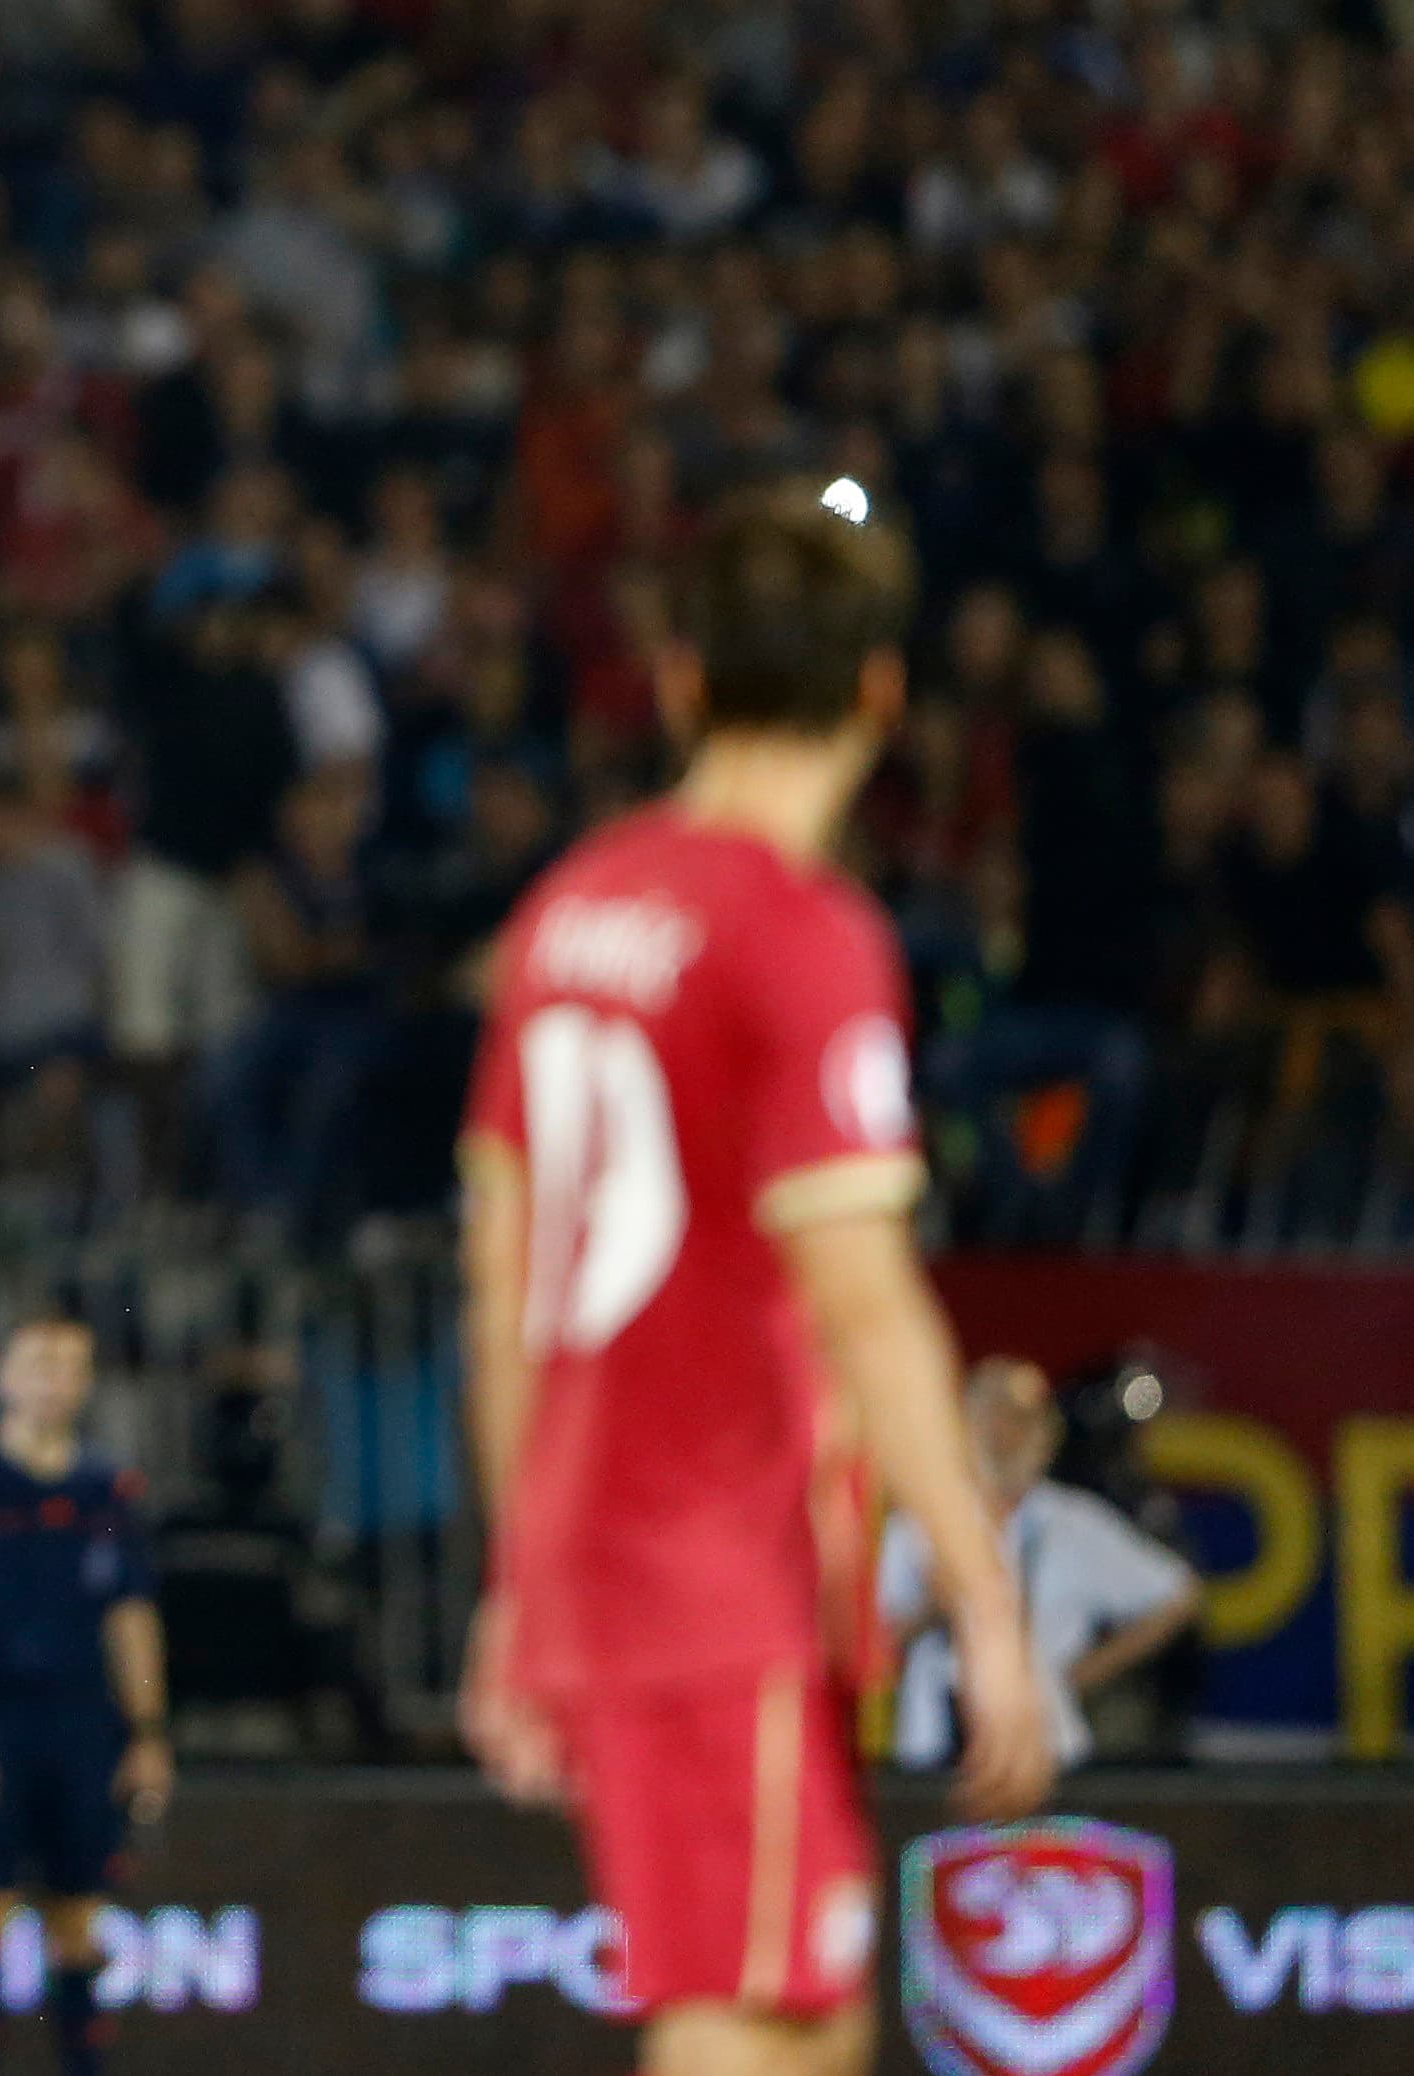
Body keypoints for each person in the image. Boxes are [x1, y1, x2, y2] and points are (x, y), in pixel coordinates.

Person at [457, 481, 1055, 2076]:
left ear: (680, 681)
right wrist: (989, 1603)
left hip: (609, 1543)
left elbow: (501, 1274)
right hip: (712, 1553)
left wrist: (522, 1575)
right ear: (881, 690)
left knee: (809, 2010)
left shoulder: (571, 910)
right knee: (745, 2014)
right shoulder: (799, 932)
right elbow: (865, 1305)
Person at [0, 1319, 172, 2076]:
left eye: (72, 1366)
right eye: (40, 1363)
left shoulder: (108, 1490)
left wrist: (148, 1730)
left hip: (83, 1719)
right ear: (2, 1379)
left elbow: (130, 1612)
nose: (56, 1379)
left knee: (79, 1918)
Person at [879, 1358, 1201, 1770]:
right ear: (962, 1426)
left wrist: (1076, 1677)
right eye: (991, 1415)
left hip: (1050, 1755)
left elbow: (1177, 1596)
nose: (1004, 1434)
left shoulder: (1074, 1523)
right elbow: (873, 1648)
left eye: (1020, 1418)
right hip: (932, 1756)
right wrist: (931, 1608)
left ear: (1046, 1433)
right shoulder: (919, 1525)